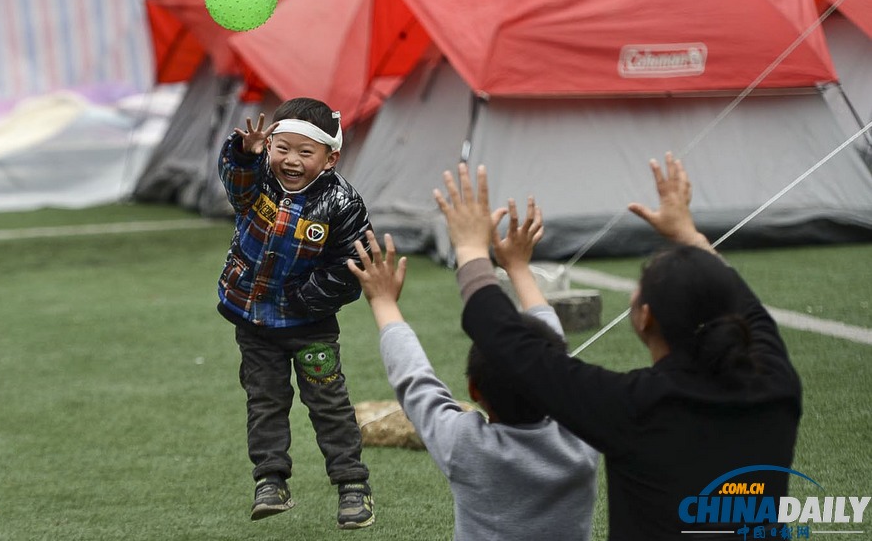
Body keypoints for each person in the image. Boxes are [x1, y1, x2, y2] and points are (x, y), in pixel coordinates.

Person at [433, 155, 802, 540]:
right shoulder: (776, 383)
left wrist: (472, 249)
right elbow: (745, 306)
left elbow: (514, 350)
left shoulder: (634, 408)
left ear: (645, 318)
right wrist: (690, 236)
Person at [346, 200, 599, 541]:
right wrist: (519, 268)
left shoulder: (467, 446)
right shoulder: (582, 435)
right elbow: (556, 362)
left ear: (474, 390)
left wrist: (383, 301)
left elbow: (415, 378)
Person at [216, 97, 374, 529]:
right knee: (265, 400)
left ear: (330, 158)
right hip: (255, 323)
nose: (291, 160)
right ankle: (271, 480)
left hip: (311, 327)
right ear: (269, 146)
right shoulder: (258, 177)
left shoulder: (343, 203)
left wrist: (304, 301)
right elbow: (235, 185)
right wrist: (242, 155)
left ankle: (352, 486)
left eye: (305, 152)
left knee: (328, 402)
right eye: (282, 148)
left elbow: (353, 266)